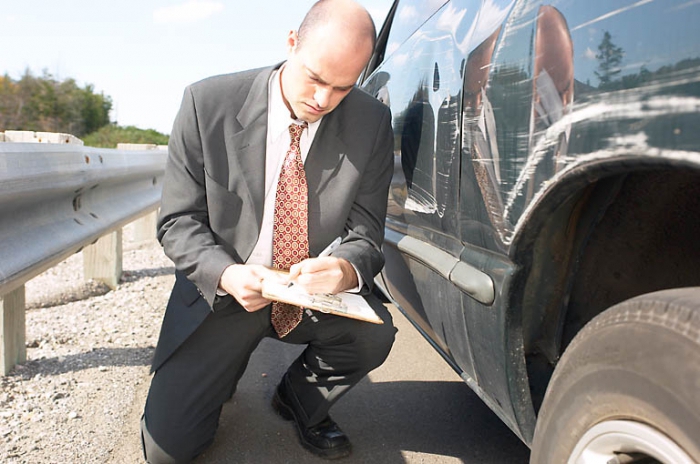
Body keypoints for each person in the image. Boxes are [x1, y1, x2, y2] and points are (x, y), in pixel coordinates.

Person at [140, 0, 397, 462]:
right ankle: (223, 369)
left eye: (342, 87)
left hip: (308, 295)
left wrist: (342, 269)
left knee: (375, 334)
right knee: (168, 452)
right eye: (316, 79)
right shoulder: (207, 103)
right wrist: (227, 274)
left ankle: (299, 399)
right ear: (291, 43)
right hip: (226, 291)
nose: (322, 101)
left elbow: (367, 233)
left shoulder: (371, 122)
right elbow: (177, 221)